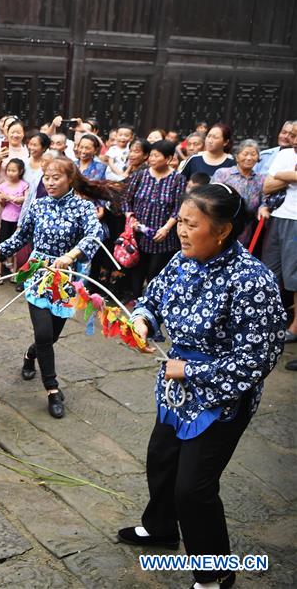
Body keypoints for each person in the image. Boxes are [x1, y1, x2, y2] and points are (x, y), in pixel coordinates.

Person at [118, 184, 286, 589]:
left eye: (192, 224)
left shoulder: (252, 281)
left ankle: (215, 573)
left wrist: (192, 372)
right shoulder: (183, 260)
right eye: (182, 222)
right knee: (161, 460)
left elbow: (257, 357)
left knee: (193, 489)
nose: (182, 231)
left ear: (223, 230)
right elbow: (153, 298)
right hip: (176, 389)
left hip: (222, 399)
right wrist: (142, 320)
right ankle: (159, 528)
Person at [0, 158, 122, 418]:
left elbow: (95, 235)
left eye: (56, 177)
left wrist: (71, 256)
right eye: (46, 177)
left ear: (70, 179)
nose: (50, 182)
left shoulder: (83, 207)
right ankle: (52, 389)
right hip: (39, 274)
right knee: (45, 333)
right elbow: (20, 236)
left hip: (67, 279)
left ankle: (30, 354)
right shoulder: (37, 205)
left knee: (51, 337)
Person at [125, 140, 188, 297]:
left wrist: (166, 228)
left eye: (156, 156)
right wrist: (130, 218)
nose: (151, 159)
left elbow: (179, 207)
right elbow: (126, 200)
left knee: (156, 272)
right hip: (138, 234)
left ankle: (152, 303)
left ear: (167, 159)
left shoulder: (178, 179)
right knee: (136, 270)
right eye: (151, 155)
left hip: (163, 236)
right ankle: (135, 299)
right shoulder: (140, 175)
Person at [262, 120, 297, 343]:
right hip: (278, 215)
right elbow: (266, 185)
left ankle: (294, 327)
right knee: (270, 271)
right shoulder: (285, 154)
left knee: (294, 277)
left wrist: (282, 176)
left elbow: (277, 178)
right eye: (292, 135)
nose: (293, 140)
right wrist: (290, 175)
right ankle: (265, 320)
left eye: (296, 135)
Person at [211, 140, 263, 245]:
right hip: (221, 222)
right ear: (237, 156)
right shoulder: (223, 173)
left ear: (258, 158)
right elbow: (211, 196)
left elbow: (265, 199)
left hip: (246, 227)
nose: (249, 158)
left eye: (253, 154)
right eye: (245, 154)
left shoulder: (261, 179)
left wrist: (263, 206)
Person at [0, 158, 27, 280]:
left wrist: (10, 197)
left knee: (17, 245)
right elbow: (2, 203)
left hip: (18, 219)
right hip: (6, 218)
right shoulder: (3, 186)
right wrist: (4, 199)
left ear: (20, 171)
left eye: (13, 170)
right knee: (2, 244)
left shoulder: (23, 185)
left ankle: (14, 272)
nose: (10, 173)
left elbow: (25, 200)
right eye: (9, 170)